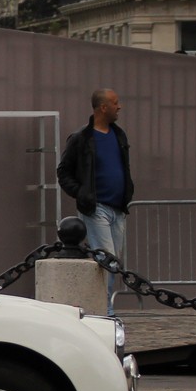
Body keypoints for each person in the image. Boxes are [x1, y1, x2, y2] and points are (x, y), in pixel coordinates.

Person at [56, 88, 133, 316]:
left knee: (113, 261)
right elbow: (63, 172)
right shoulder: (82, 138)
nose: (119, 107)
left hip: (117, 208)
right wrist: (81, 194)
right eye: (115, 103)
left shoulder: (119, 135)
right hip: (96, 208)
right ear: (103, 107)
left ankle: (100, 305)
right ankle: (104, 310)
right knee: (106, 257)